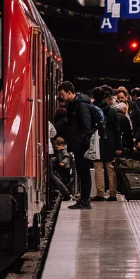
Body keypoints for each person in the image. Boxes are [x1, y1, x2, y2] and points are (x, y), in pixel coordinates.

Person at [58, 81, 94, 209]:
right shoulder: (74, 105)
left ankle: (85, 201)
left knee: (84, 173)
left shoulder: (81, 105)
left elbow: (86, 127)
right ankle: (84, 200)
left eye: (62, 94)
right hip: (78, 144)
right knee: (81, 172)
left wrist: (76, 141)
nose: (61, 96)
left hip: (82, 145)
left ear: (69, 92)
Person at [92, 88, 120, 202]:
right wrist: (118, 147)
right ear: (104, 97)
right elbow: (116, 130)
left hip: (96, 141)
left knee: (98, 168)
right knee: (110, 168)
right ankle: (113, 194)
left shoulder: (91, 109)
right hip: (110, 141)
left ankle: (100, 194)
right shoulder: (112, 111)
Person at [50, 137, 72, 201]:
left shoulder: (63, 151)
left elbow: (66, 157)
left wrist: (63, 162)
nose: (56, 148)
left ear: (61, 145)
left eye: (57, 146)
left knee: (64, 180)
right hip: (62, 167)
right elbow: (57, 159)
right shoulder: (59, 152)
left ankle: (67, 193)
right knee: (63, 179)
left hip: (64, 168)